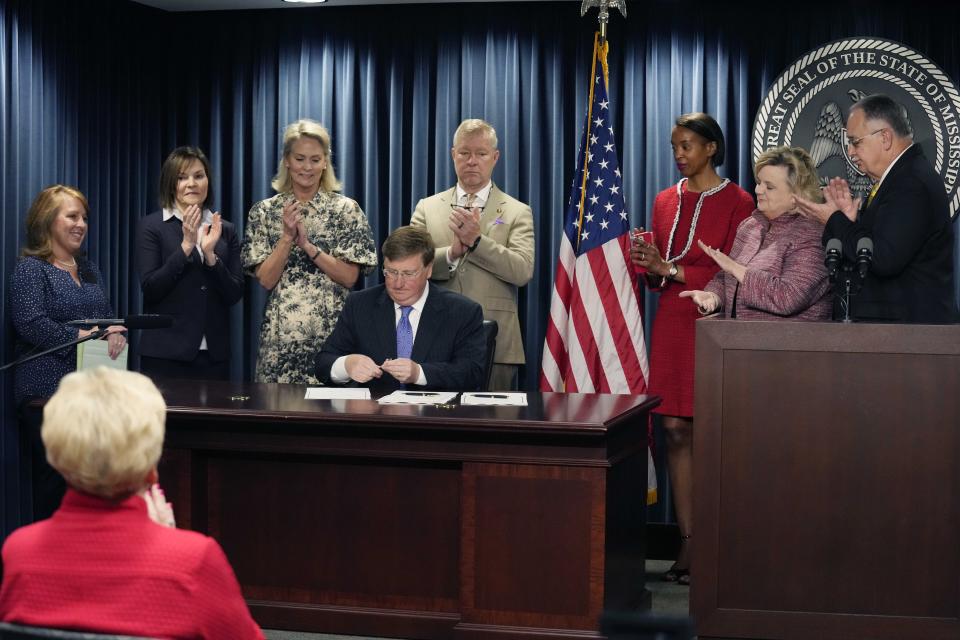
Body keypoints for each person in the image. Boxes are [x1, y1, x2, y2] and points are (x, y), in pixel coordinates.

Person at [0, 368, 265, 639]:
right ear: (152, 470)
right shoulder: (194, 562)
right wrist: (170, 541)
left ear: (56, 459)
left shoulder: (19, 553)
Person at [629, 113, 754, 585]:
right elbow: (659, 273)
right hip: (672, 323)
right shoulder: (665, 200)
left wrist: (672, 271)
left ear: (712, 149)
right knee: (675, 431)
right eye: (674, 145)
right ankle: (688, 544)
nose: (679, 154)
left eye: (687, 145)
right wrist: (650, 265)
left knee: (715, 434)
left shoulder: (740, 202)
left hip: (715, 322)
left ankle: (721, 548)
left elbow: (737, 273)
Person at [9, 185, 127, 521]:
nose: (81, 224)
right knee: (58, 486)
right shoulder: (31, 269)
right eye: (72, 216)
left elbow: (104, 316)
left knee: (91, 488)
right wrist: (84, 336)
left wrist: (114, 331)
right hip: (47, 394)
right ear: (48, 221)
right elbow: (30, 324)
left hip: (91, 393)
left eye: (84, 218)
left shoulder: (89, 269)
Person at [796, 93, 958, 323]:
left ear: (885, 138)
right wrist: (850, 222)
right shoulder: (901, 177)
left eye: (855, 142)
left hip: (910, 339)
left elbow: (883, 258)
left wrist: (834, 220)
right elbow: (872, 246)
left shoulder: (911, 182)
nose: (850, 152)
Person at [242, 119, 377, 383]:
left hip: (335, 339)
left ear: (325, 162)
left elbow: (350, 277)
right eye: (300, 158)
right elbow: (266, 279)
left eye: (315, 159)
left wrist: (307, 246)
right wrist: (286, 238)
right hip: (280, 342)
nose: (307, 167)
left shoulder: (346, 210)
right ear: (287, 161)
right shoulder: (264, 212)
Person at [410, 118, 534, 390]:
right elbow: (411, 267)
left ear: (495, 157)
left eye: (481, 153)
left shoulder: (516, 211)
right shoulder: (427, 208)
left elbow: (522, 271)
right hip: (434, 340)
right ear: (453, 154)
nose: (472, 161)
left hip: (498, 343)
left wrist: (476, 241)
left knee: (496, 427)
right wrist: (452, 253)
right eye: (464, 153)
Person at [315, 226, 486, 396]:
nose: (398, 283)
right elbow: (323, 363)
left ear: (429, 270)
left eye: (408, 273)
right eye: (391, 272)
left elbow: (472, 373)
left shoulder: (462, 312)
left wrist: (419, 373)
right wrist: (346, 365)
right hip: (374, 417)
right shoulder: (360, 304)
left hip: (434, 417)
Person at [679, 146, 832, 321]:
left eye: (770, 187)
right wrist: (714, 297)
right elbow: (727, 277)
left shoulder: (812, 233)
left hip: (788, 345)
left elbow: (788, 297)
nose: (758, 190)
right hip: (736, 343)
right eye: (759, 182)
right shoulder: (749, 226)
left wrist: (736, 268)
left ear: (795, 196)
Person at [136, 146, 243, 381]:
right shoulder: (152, 226)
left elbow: (234, 294)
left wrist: (210, 256)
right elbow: (151, 288)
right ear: (170, 184)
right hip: (165, 354)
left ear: (208, 181)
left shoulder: (226, 229)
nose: (191, 184)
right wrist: (186, 246)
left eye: (198, 176)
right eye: (182, 178)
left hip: (214, 355)